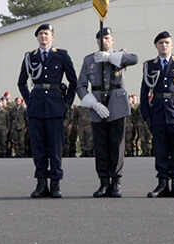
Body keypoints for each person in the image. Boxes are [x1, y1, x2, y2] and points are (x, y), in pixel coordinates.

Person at [75, 26, 139, 197]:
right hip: (97, 103)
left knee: (117, 145)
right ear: (96, 41)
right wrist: (92, 103)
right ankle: (103, 182)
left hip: (117, 104)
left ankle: (116, 182)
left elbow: (135, 59)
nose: (104, 41)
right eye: (100, 39)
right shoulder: (89, 60)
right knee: (101, 145)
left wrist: (110, 57)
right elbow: (80, 85)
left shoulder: (120, 56)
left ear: (112, 40)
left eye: (107, 38)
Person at [18, 23, 77, 198]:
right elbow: (21, 82)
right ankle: (41, 183)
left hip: (55, 105)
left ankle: (56, 183)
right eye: (41, 34)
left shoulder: (62, 56)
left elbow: (73, 81)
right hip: (36, 105)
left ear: (53, 37)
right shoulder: (30, 57)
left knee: (55, 147)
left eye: (47, 34)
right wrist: (29, 100)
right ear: (37, 37)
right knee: (38, 148)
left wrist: (66, 103)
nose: (44, 37)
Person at [140, 31, 174, 198]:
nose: (164, 45)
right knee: (160, 149)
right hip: (157, 112)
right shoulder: (150, 65)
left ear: (172, 45)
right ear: (155, 46)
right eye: (160, 43)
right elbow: (144, 93)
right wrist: (146, 116)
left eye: (166, 42)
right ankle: (162, 182)